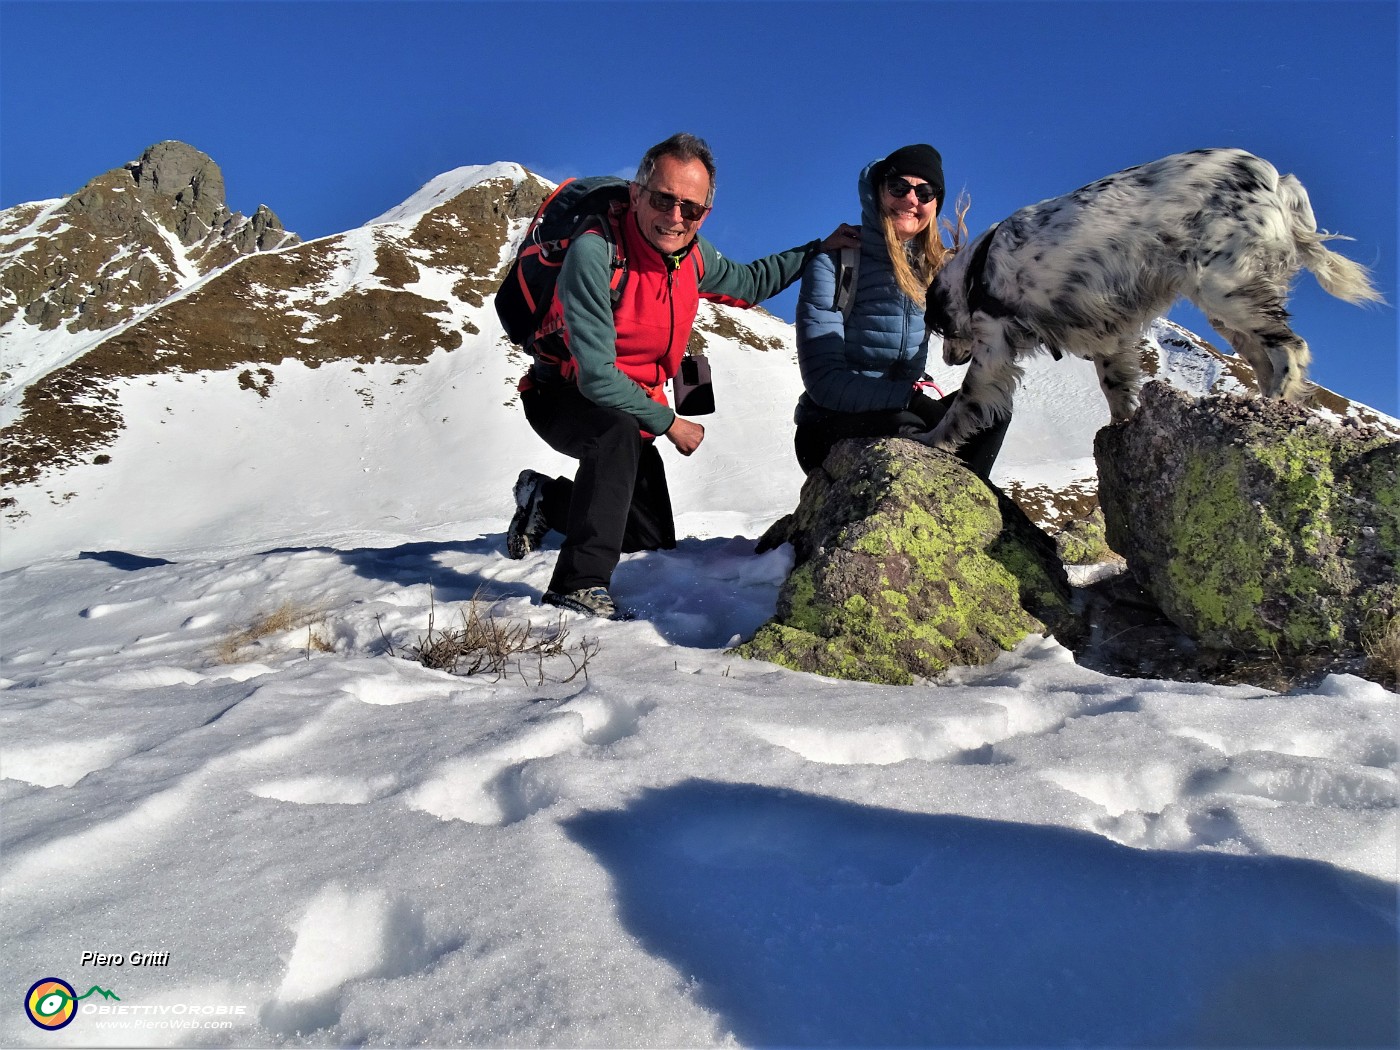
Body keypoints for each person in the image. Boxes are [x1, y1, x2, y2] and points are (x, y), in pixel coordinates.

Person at [507, 133, 859, 620]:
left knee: (646, 539)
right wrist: (671, 423)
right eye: (663, 199)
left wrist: (818, 249)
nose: (675, 217)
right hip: (562, 394)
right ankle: (578, 586)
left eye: (690, 208)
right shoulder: (595, 253)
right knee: (613, 434)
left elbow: (749, 282)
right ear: (636, 194)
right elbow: (596, 380)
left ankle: (548, 499)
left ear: (704, 214)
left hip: (631, 411)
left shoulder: (691, 254)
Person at [792, 144, 1009, 479]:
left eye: (924, 192)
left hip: (903, 409)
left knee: (991, 412)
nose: (911, 200)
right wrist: (910, 400)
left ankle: (961, 516)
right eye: (899, 188)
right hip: (827, 424)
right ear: (879, 193)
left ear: (934, 204)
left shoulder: (936, 272)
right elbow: (824, 381)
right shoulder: (835, 264)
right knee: (911, 430)